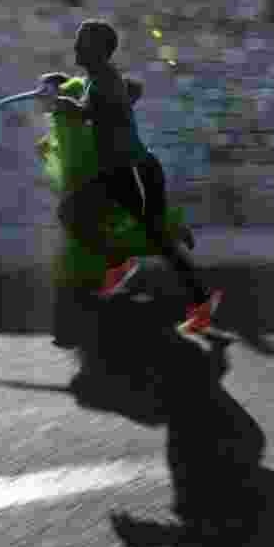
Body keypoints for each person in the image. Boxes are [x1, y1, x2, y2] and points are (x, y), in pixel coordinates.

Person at [53, 20, 222, 334]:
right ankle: (119, 260)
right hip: (113, 173)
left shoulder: (104, 80)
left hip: (134, 171)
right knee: (71, 212)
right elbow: (113, 95)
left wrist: (70, 106)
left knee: (159, 239)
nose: (75, 47)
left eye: (81, 43)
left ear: (98, 51)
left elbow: (100, 108)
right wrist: (66, 92)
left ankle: (201, 301)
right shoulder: (99, 77)